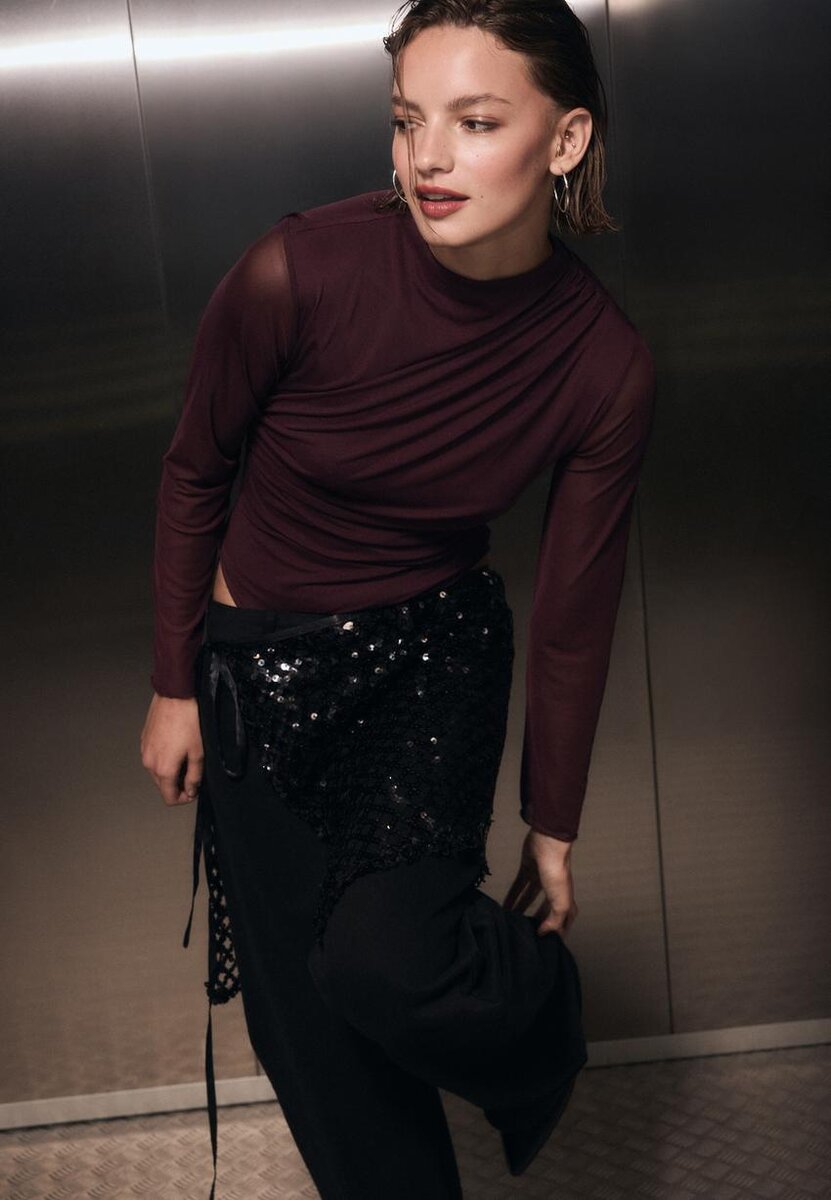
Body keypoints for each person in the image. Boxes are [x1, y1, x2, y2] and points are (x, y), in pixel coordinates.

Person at [140, 1, 656, 1197]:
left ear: (565, 140)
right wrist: (175, 682)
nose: (427, 157)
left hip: (429, 665)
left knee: (384, 962)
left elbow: (575, 614)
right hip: (259, 667)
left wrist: (554, 823)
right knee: (309, 1029)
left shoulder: (603, 362)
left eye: (475, 122)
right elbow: (194, 471)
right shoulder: (294, 270)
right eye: (407, 120)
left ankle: (541, 1020)